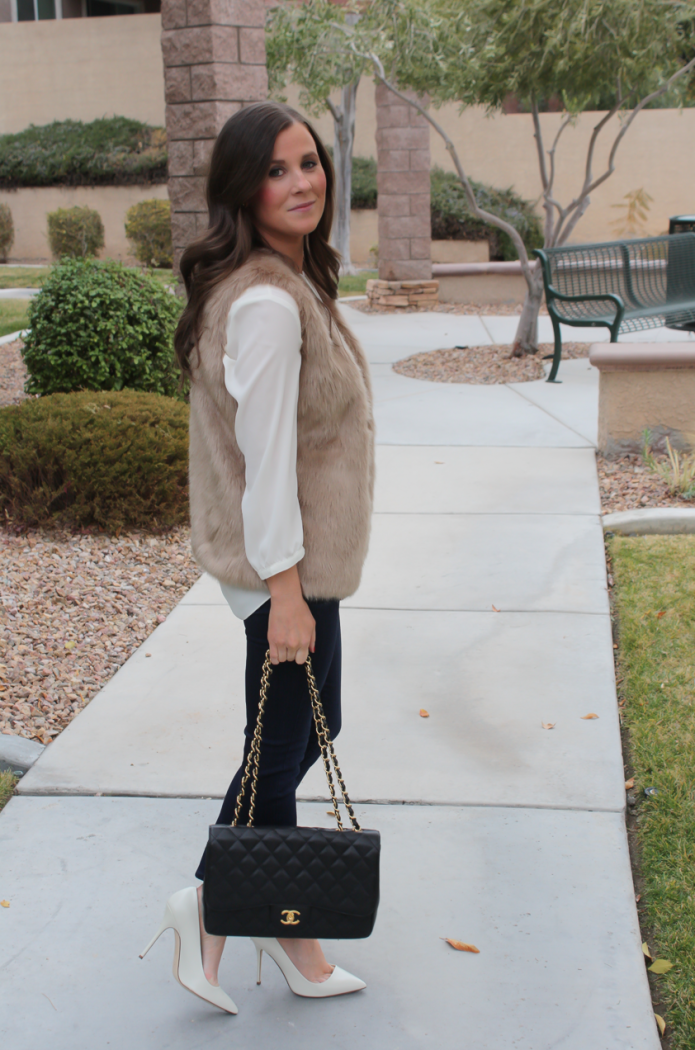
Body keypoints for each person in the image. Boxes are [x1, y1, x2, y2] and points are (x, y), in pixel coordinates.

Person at [139, 102, 375, 1013]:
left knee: (293, 737)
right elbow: (267, 462)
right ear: (244, 188)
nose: (302, 181)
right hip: (283, 567)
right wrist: (287, 594)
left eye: (308, 162)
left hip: (288, 564)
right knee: (285, 745)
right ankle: (225, 913)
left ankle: (251, 921)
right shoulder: (269, 302)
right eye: (277, 170)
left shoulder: (271, 280)